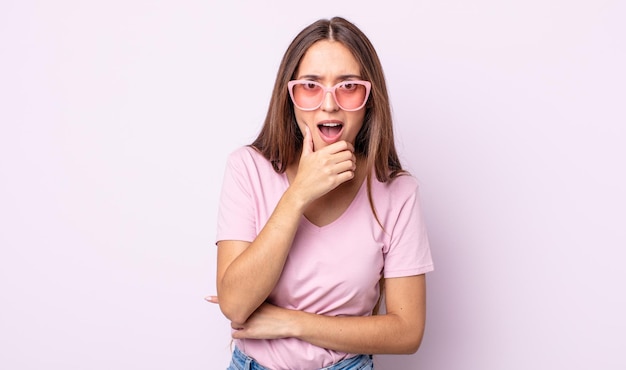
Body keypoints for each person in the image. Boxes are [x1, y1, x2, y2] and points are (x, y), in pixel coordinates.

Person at [209, 16, 434, 370]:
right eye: (311, 85)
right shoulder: (247, 168)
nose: (329, 104)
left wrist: (291, 323)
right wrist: (298, 194)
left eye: (348, 86)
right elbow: (236, 305)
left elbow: (407, 332)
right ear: (291, 96)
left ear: (369, 98)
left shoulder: (397, 191)